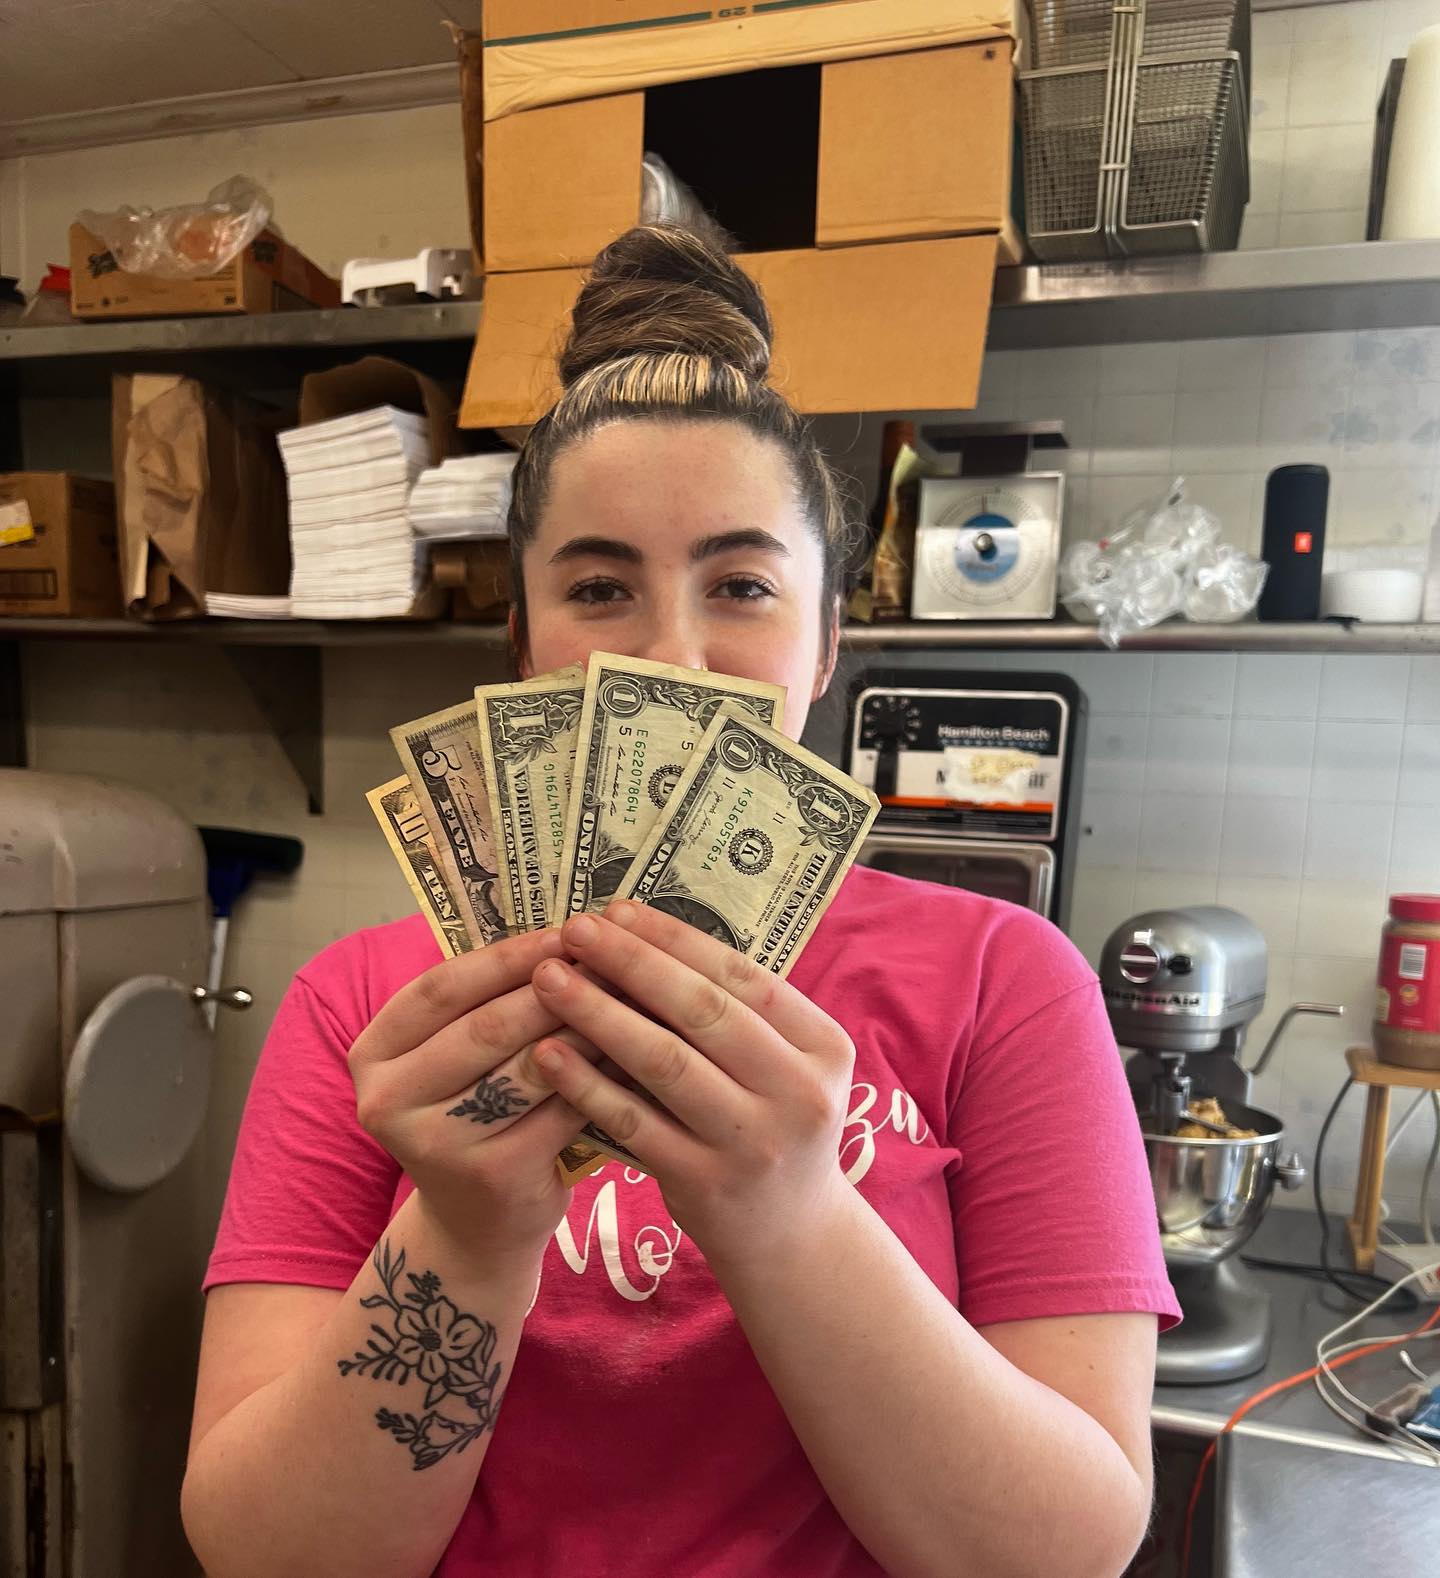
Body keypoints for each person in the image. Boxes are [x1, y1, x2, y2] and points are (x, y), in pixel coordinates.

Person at [182, 224, 1180, 1578]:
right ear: (523, 643)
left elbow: (1065, 1554)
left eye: (742, 586)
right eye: (600, 588)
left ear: (826, 644)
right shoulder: (366, 1007)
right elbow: (264, 1553)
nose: (675, 656)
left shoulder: (1008, 982)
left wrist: (790, 1218)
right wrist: (469, 1234)